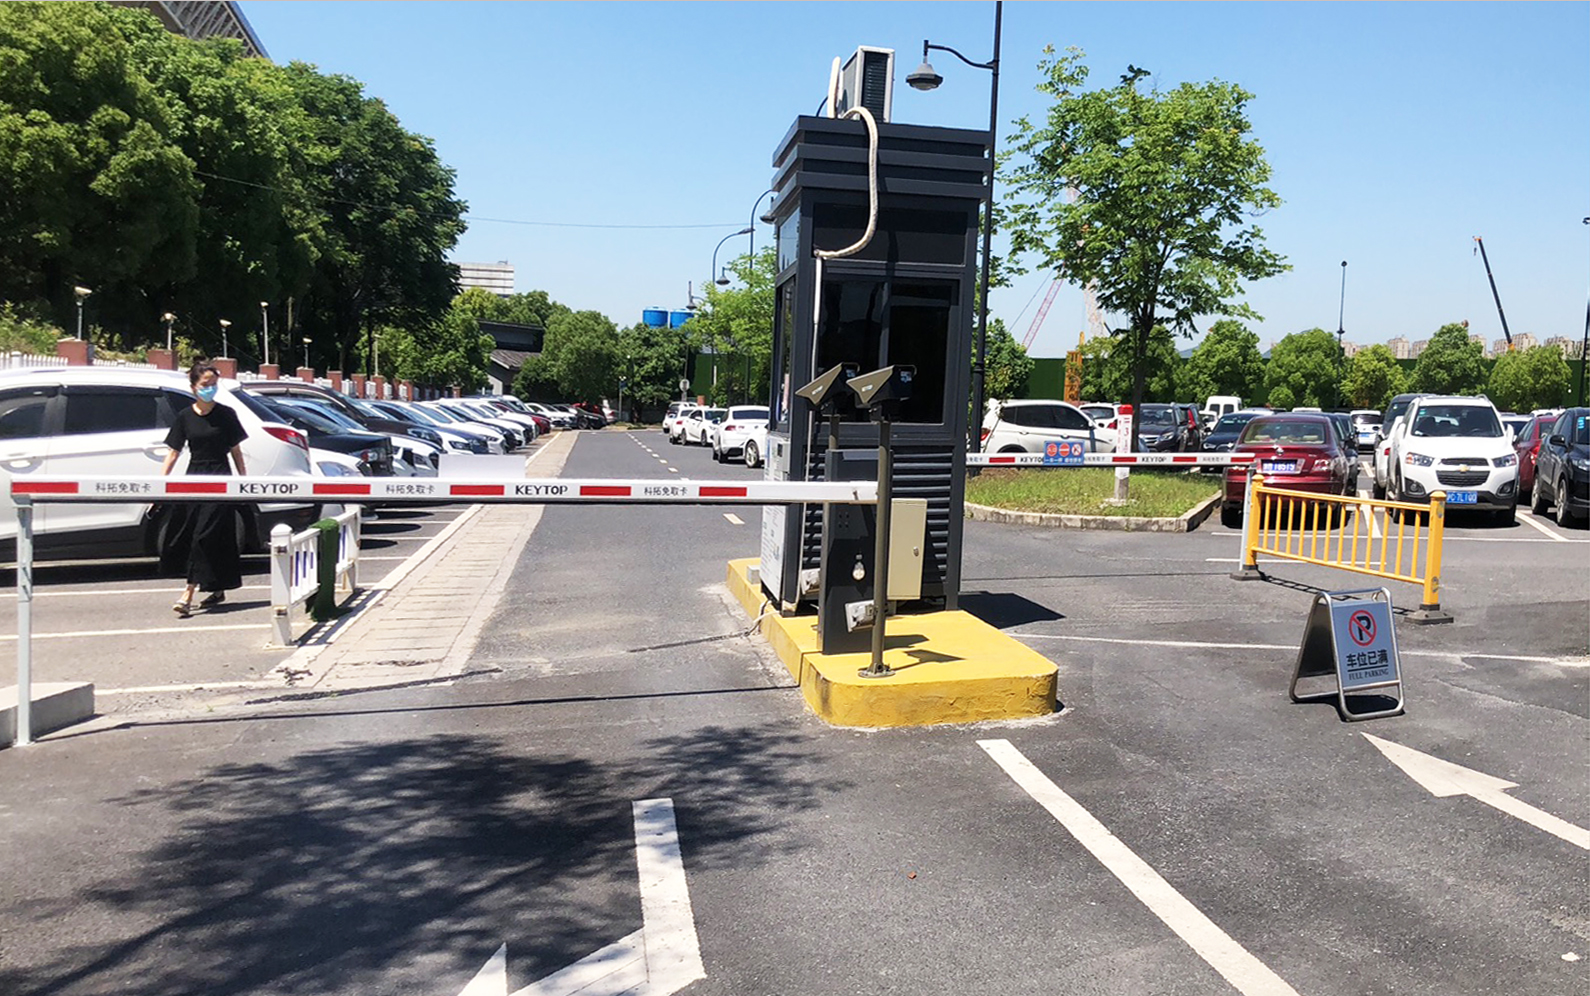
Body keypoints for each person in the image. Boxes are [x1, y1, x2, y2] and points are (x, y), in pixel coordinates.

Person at [161, 362, 249, 617]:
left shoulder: (226, 414)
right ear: (193, 388)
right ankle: (217, 587)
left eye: (213, 384)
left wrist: (243, 481)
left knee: (203, 535)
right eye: (205, 385)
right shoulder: (185, 417)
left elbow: (236, 451)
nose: (210, 389)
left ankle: (187, 594)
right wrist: (161, 484)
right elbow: (173, 452)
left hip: (221, 479)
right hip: (195, 478)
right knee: (204, 536)